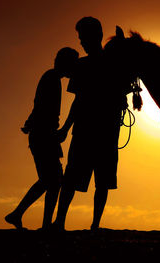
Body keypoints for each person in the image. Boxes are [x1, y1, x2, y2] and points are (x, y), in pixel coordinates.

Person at [52, 17, 130, 231]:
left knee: (77, 178)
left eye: (82, 38)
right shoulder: (113, 63)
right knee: (98, 180)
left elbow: (78, 102)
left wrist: (66, 129)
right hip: (104, 130)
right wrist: (66, 129)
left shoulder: (84, 66)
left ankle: (63, 222)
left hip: (89, 131)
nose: (81, 42)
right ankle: (90, 225)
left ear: (92, 36)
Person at [5, 47, 79, 230]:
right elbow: (42, 106)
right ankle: (38, 221)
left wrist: (30, 123)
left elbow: (38, 104)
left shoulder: (51, 77)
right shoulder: (52, 79)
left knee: (50, 180)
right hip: (45, 134)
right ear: (66, 63)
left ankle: (19, 214)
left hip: (43, 133)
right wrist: (40, 127)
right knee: (53, 181)